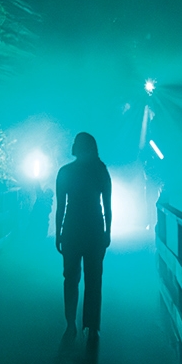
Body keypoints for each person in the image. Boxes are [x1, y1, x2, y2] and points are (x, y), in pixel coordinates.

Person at [55, 132, 113, 340]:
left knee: (70, 278)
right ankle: (92, 326)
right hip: (95, 229)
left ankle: (70, 323)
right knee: (94, 278)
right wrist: (108, 231)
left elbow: (61, 206)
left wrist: (58, 233)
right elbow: (107, 205)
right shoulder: (100, 170)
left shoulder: (65, 172)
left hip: (71, 229)